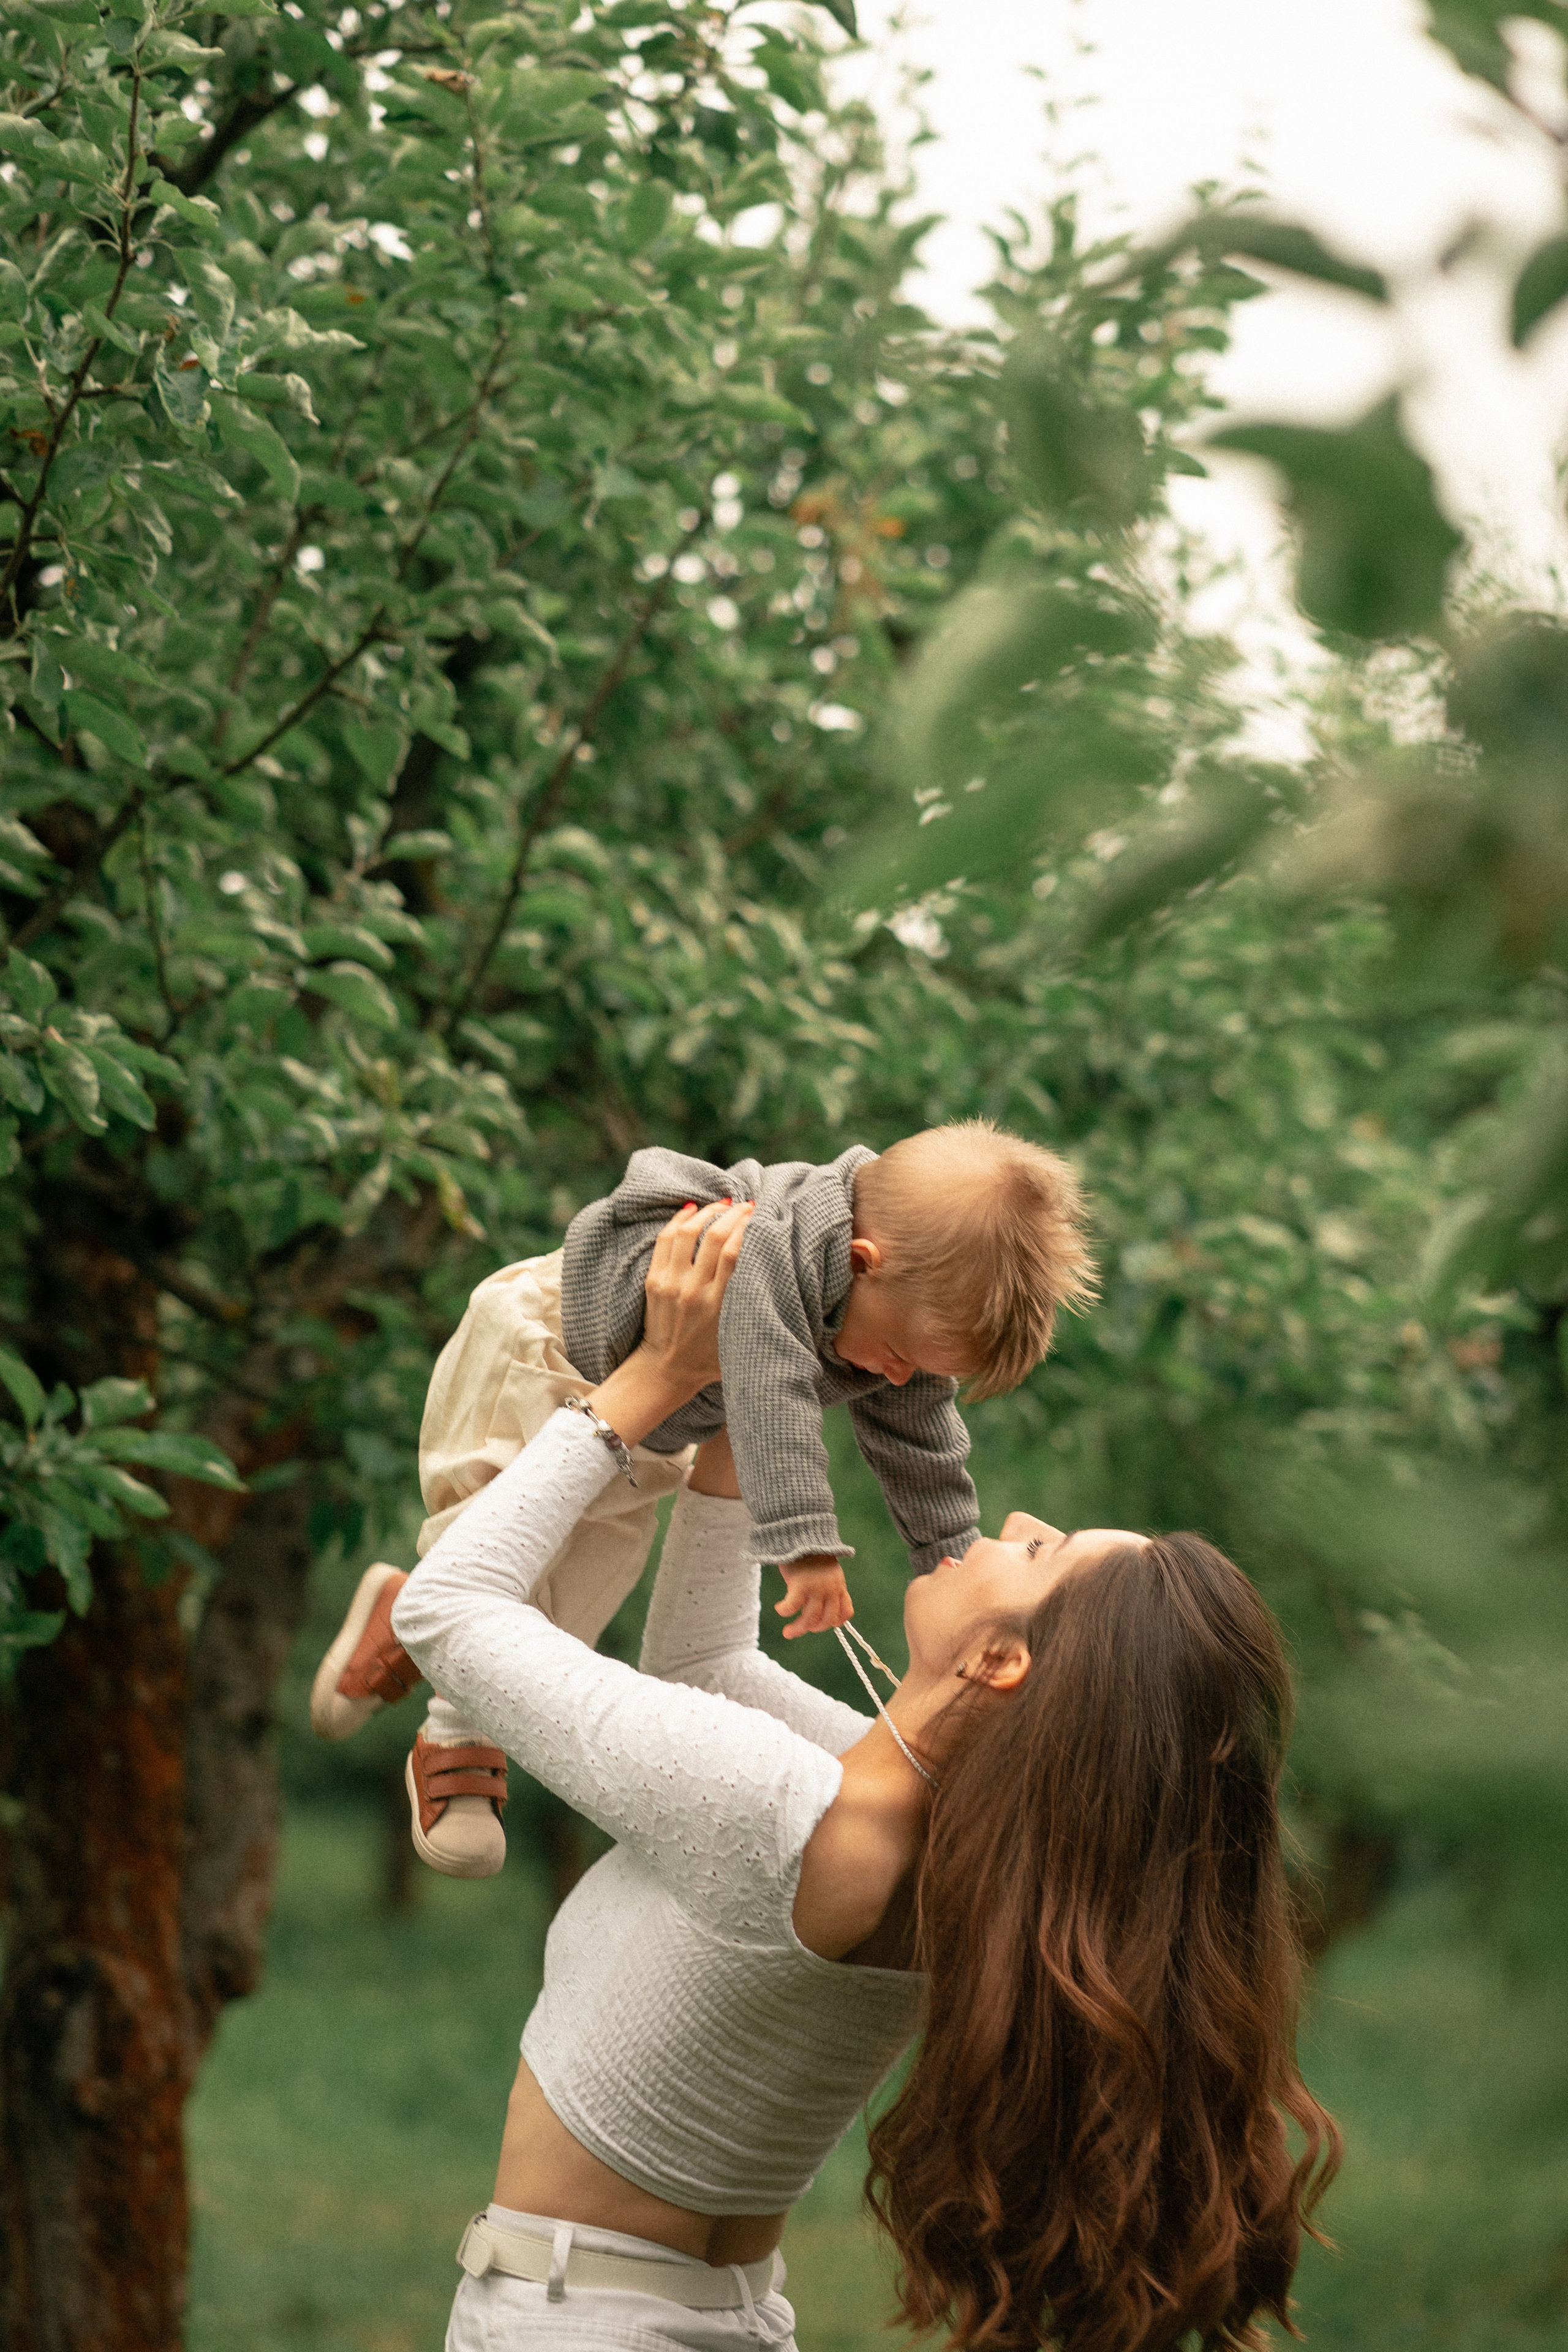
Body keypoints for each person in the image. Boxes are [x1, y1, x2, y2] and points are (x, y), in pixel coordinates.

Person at [388, 1204, 1340, 2352]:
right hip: (687, 2317)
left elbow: (444, 1611)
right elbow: (704, 1667)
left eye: (1040, 1551)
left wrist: (651, 1380)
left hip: (575, 2319)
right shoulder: (932, 1830)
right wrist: (745, 1384)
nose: (1017, 1517)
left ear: (1000, 1662)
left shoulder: (788, 1818)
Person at [312, 1121, 1094, 1877]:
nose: (894, 1378)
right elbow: (769, 1396)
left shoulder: (885, 1313)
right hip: (542, 1351)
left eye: (917, 1368)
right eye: (897, 1355)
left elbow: (924, 1444)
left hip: (649, 1423)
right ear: (862, 1260)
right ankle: (455, 1736)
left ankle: (405, 1603)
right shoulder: (770, 1255)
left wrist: (949, 1557)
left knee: (597, 1575)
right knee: (503, 1537)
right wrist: (805, 1546)